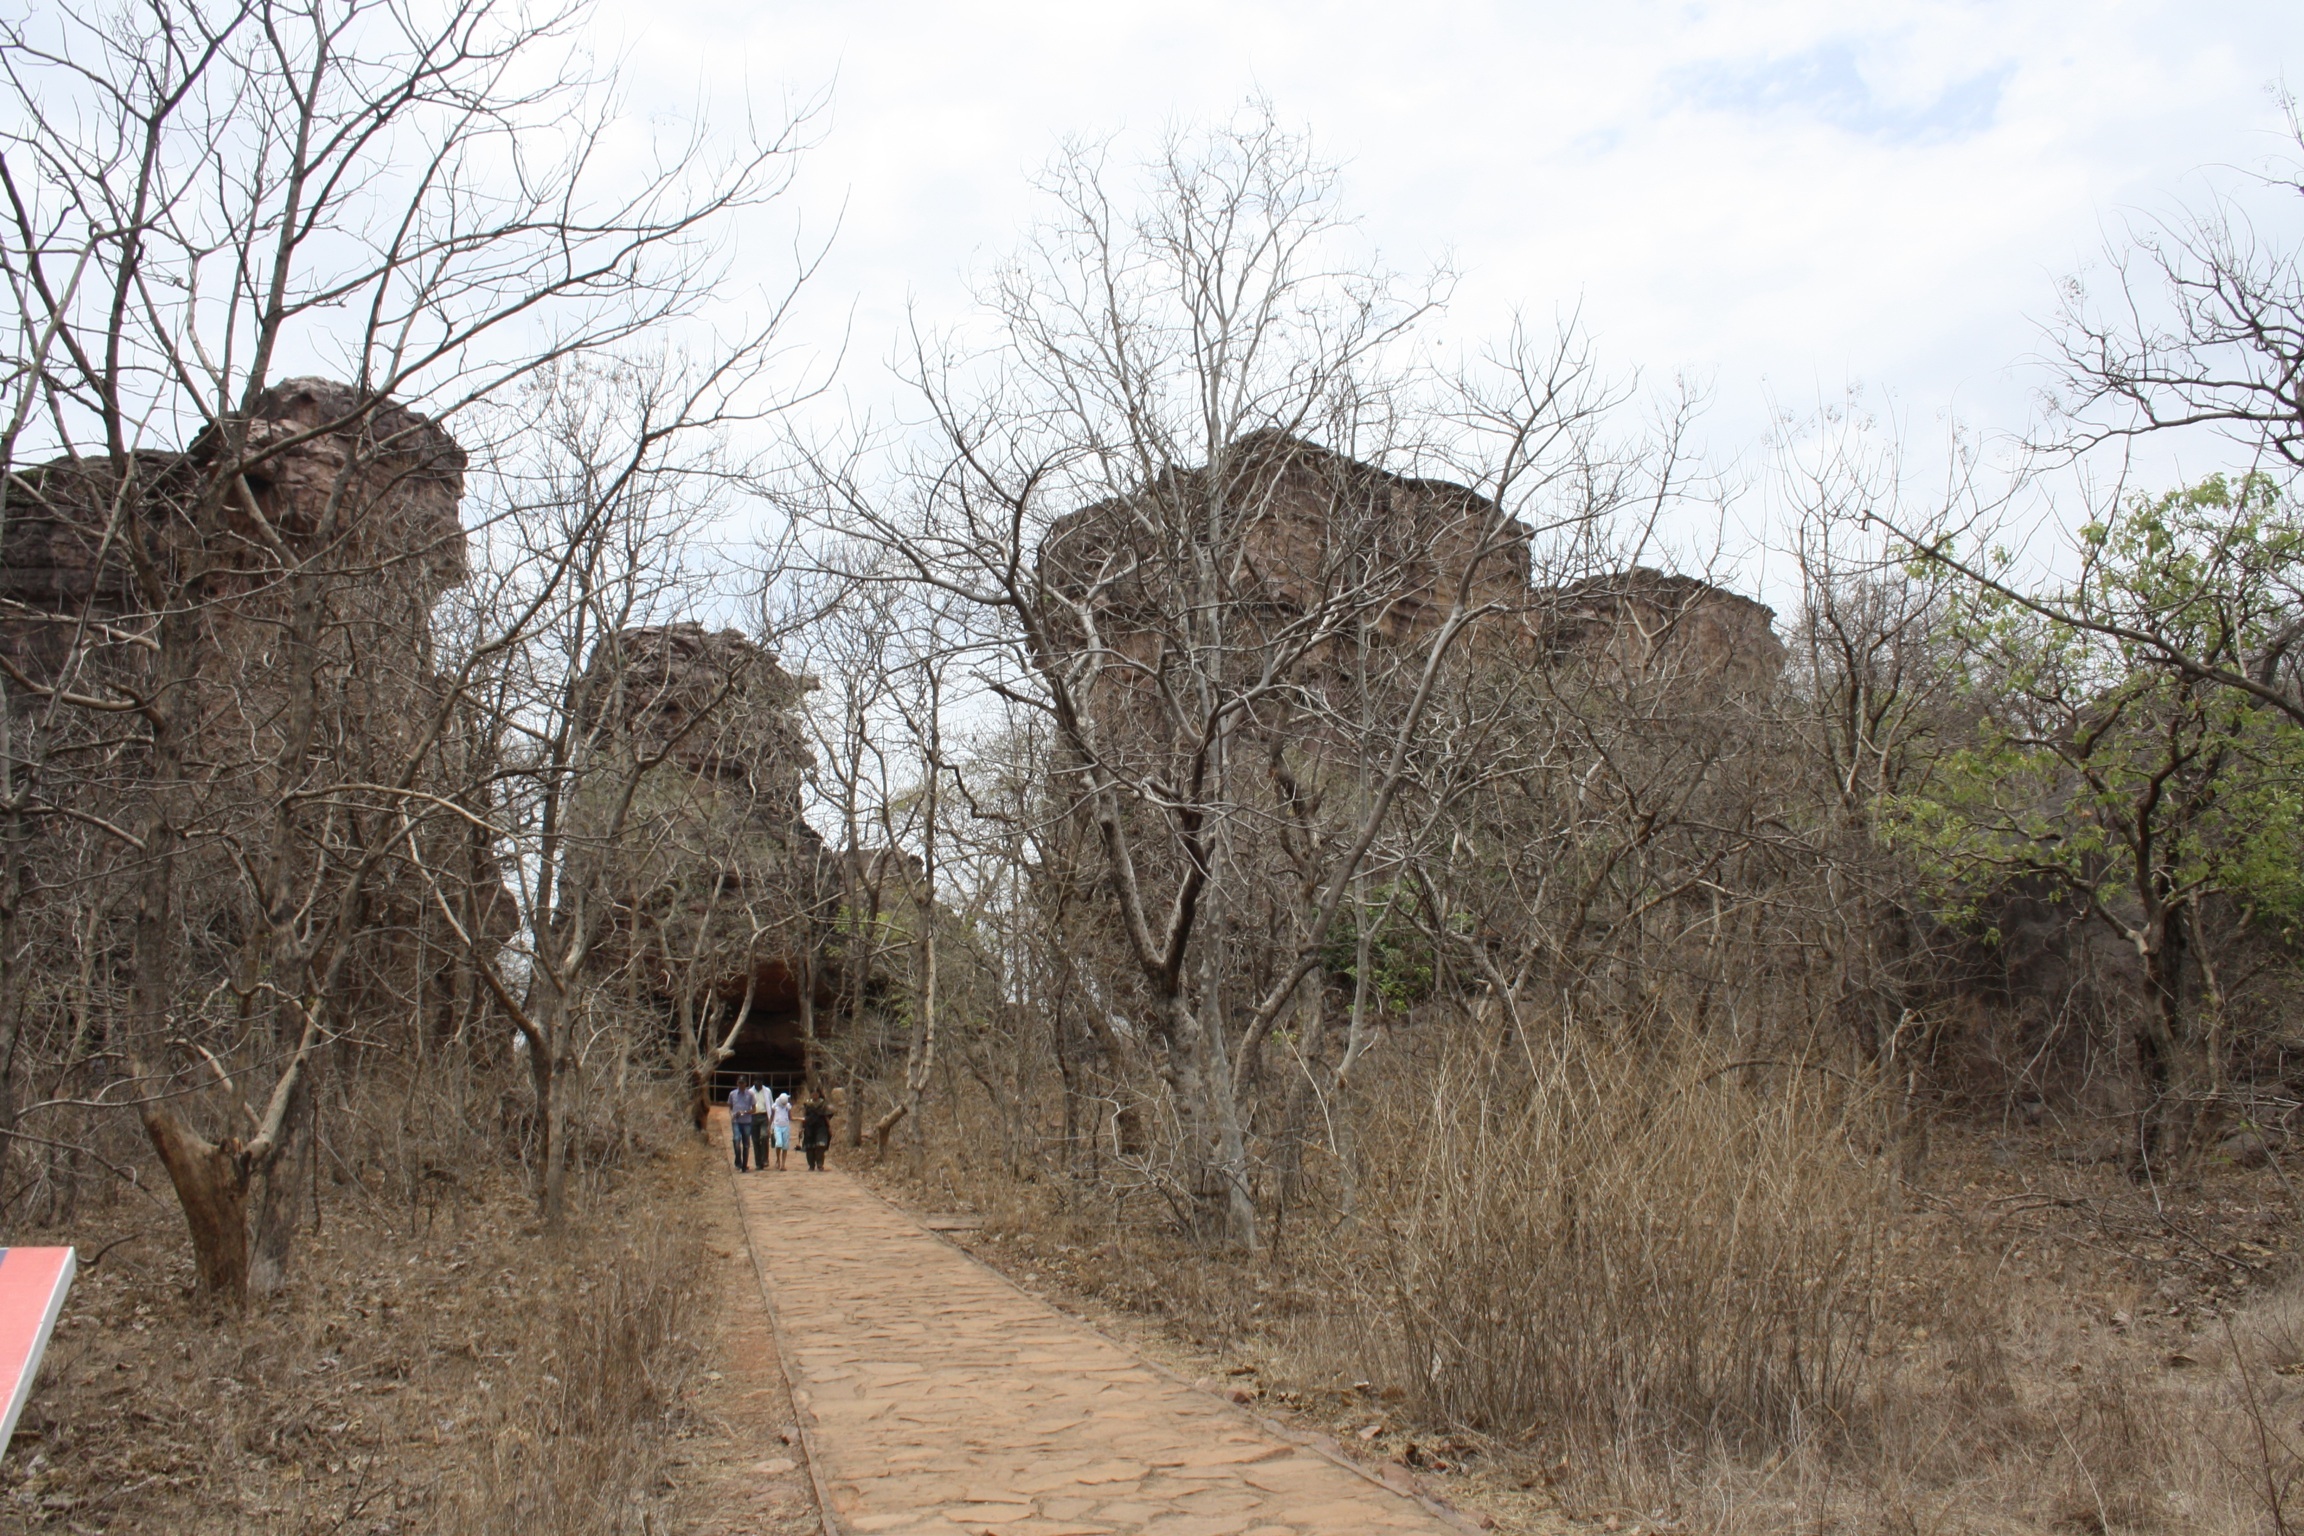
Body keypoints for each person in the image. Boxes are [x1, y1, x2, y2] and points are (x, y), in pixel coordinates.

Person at [728, 1079, 754, 1171]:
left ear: (746, 1084)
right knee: (736, 1140)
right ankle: (738, 1160)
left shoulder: (750, 1095)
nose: (741, 1085)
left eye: (743, 1083)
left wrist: (745, 1112)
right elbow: (730, 1107)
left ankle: (744, 1165)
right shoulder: (732, 1094)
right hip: (736, 1121)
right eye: (740, 1083)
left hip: (746, 1121)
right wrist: (732, 1114)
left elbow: (754, 1109)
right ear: (737, 1083)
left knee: (746, 1144)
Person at [800, 1098, 832, 1171]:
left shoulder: (823, 1104)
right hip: (809, 1127)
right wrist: (801, 1128)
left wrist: (829, 1127)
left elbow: (826, 1116)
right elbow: (804, 1117)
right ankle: (811, 1165)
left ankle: (820, 1164)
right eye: (813, 1093)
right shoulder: (807, 1104)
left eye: (816, 1093)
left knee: (821, 1145)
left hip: (821, 1127)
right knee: (810, 1147)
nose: (815, 1095)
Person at [769, 1090, 793, 1171]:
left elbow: (790, 1117)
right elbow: (772, 1117)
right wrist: (769, 1127)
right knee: (779, 1143)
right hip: (777, 1126)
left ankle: (783, 1164)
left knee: (785, 1146)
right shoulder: (775, 1106)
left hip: (786, 1126)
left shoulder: (788, 1106)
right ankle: (778, 1159)